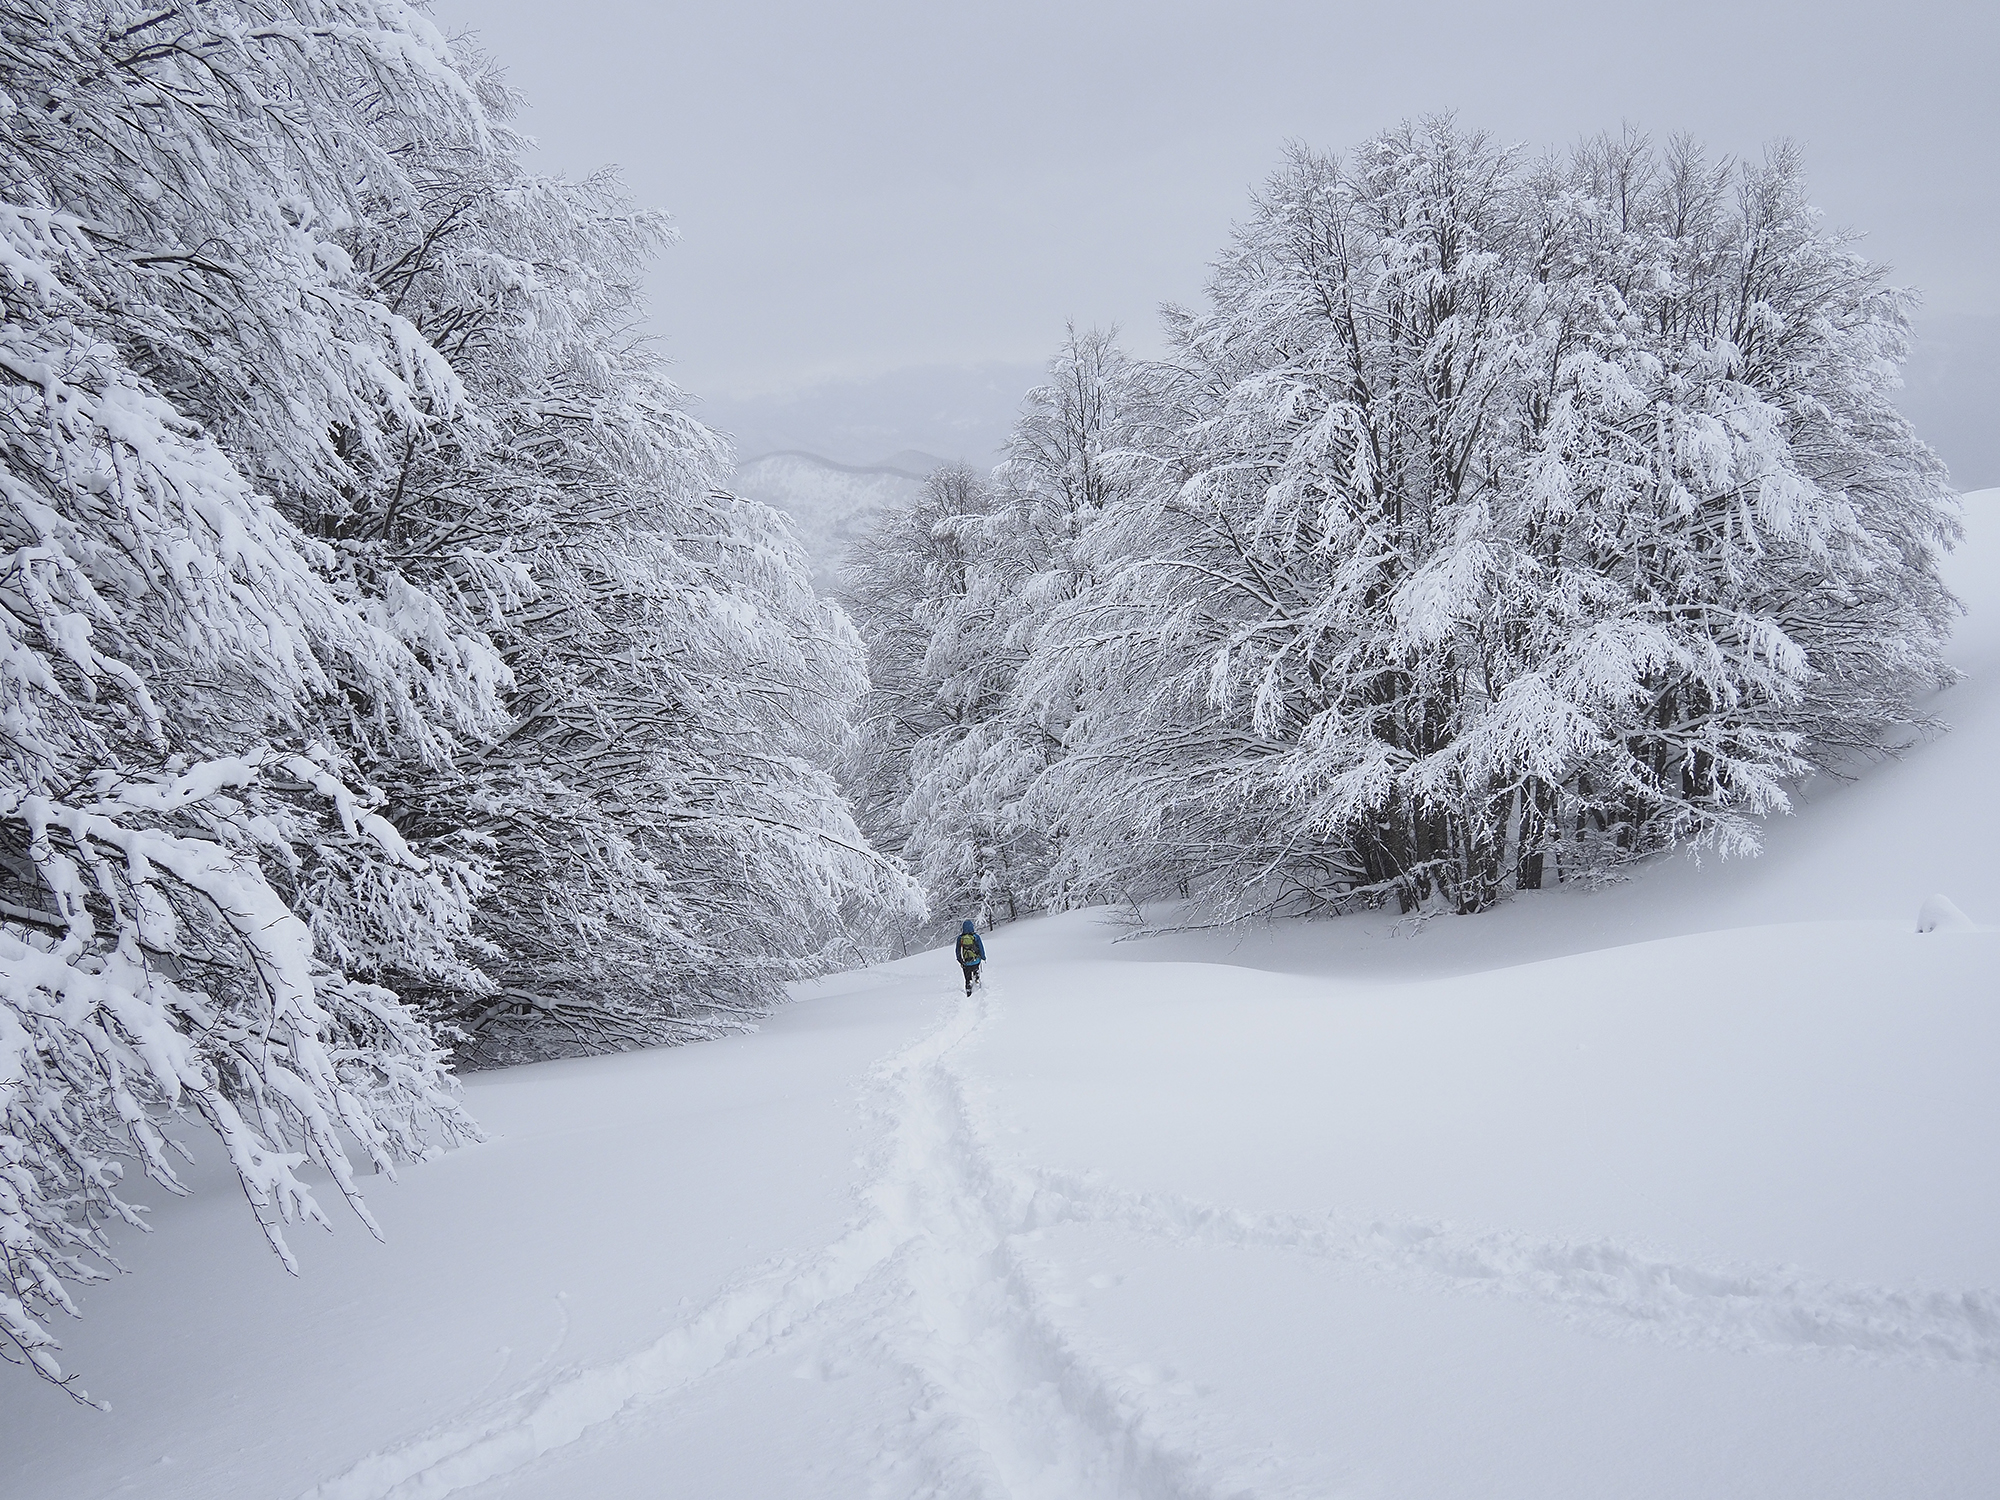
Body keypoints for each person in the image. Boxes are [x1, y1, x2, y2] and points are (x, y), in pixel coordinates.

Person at [955, 920, 985, 995]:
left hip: (966, 962)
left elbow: (957, 950)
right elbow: (981, 948)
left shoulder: (960, 938)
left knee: (967, 978)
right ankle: (977, 983)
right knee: (976, 972)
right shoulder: (976, 937)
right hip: (976, 961)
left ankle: (969, 990)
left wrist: (960, 960)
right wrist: (983, 957)